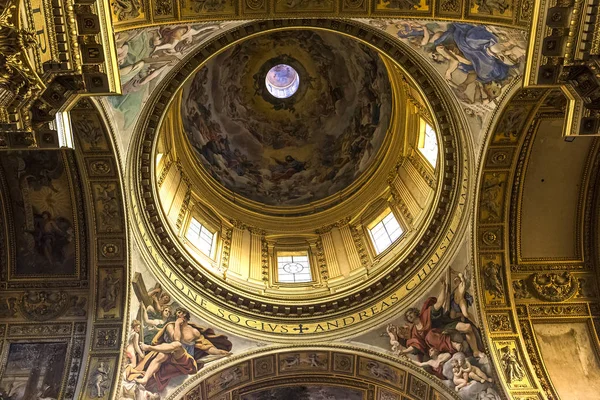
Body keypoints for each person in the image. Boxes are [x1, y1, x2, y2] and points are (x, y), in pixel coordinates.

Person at [126, 308, 232, 392]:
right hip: (170, 354)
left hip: (186, 361)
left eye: (180, 312)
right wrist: (176, 324)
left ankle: (149, 347)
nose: (177, 314)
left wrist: (220, 352)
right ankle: (145, 379)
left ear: (185, 315)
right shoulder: (170, 326)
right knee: (161, 355)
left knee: (177, 345)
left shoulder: (194, 332)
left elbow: (207, 347)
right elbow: (175, 338)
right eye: (176, 313)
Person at [400, 278, 484, 358]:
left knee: (468, 327)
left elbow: (439, 302)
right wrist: (404, 352)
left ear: (415, 312)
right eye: (407, 316)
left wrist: (443, 286)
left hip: (443, 328)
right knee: (429, 336)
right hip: (435, 340)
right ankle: (453, 345)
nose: (409, 316)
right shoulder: (415, 331)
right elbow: (415, 345)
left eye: (410, 313)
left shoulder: (426, 314)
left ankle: (475, 351)